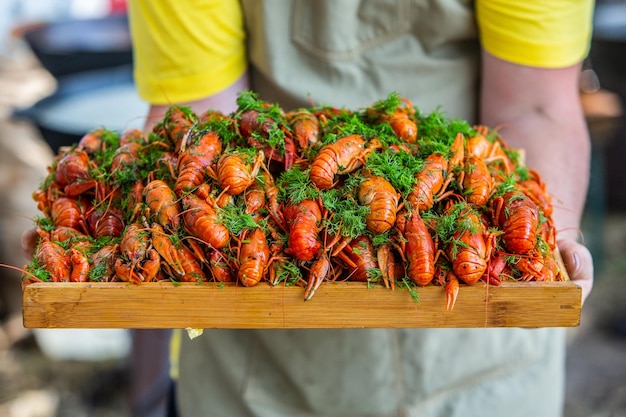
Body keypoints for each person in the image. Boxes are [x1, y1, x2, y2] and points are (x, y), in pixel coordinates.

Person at [124, 1, 596, 416]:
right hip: (256, 360)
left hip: (487, 363)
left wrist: (556, 232)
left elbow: (535, 106)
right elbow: (201, 109)